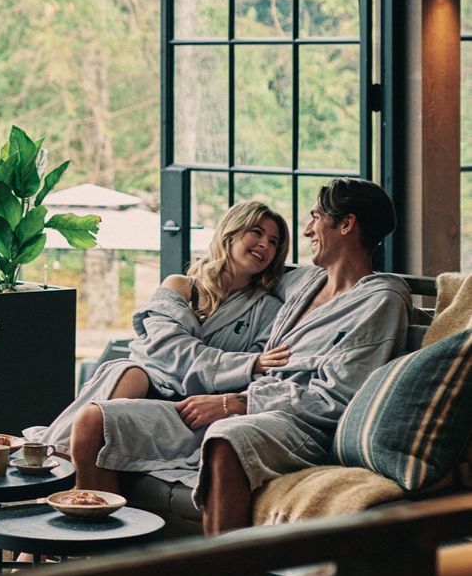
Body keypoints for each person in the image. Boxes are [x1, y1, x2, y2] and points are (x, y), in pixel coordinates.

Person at [68, 178, 411, 535]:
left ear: (346, 224)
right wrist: (180, 290)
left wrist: (237, 402)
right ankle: (101, 563)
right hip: (243, 408)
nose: (308, 230)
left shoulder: (380, 301)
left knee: (228, 435)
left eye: (315, 217)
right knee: (95, 422)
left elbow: (335, 398)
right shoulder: (304, 282)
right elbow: (241, 267)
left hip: (298, 425)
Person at [22, 200, 292, 456]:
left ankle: (57, 464)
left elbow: (260, 372)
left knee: (130, 375)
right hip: (148, 381)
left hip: (195, 403)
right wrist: (248, 362)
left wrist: (245, 368)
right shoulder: (180, 287)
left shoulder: (268, 310)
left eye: (273, 242)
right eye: (256, 233)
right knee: (129, 372)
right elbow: (166, 349)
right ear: (230, 234)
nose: (264, 245)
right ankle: (66, 463)